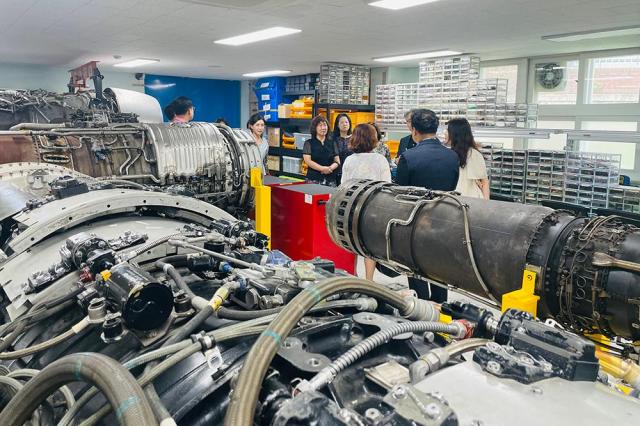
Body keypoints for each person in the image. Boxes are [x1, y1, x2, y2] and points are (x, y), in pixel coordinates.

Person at [396, 108, 459, 303]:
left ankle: (421, 310)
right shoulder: (453, 157)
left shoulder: (409, 158)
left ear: (414, 130)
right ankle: (442, 310)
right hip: (444, 221)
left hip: (414, 224)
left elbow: (400, 195)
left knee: (415, 270)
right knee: (440, 268)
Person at [341, 124, 391, 281]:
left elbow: (344, 186)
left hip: (352, 208)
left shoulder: (349, 160)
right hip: (374, 208)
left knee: (352, 244)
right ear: (373, 139)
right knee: (370, 247)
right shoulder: (380, 160)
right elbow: (386, 185)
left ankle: (353, 275)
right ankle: (369, 280)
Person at [447, 118, 490, 199]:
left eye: (448, 131)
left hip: (466, 199)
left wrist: (486, 204)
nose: (445, 133)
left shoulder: (473, 154)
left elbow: (484, 182)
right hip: (467, 198)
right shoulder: (450, 153)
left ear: (455, 134)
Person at [303, 115, 340, 185]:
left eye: (325, 125)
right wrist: (322, 168)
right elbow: (308, 161)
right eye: (320, 125)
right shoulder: (309, 143)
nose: (323, 128)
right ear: (315, 128)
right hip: (314, 179)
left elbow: (337, 161)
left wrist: (330, 168)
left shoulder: (332, 142)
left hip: (330, 178)